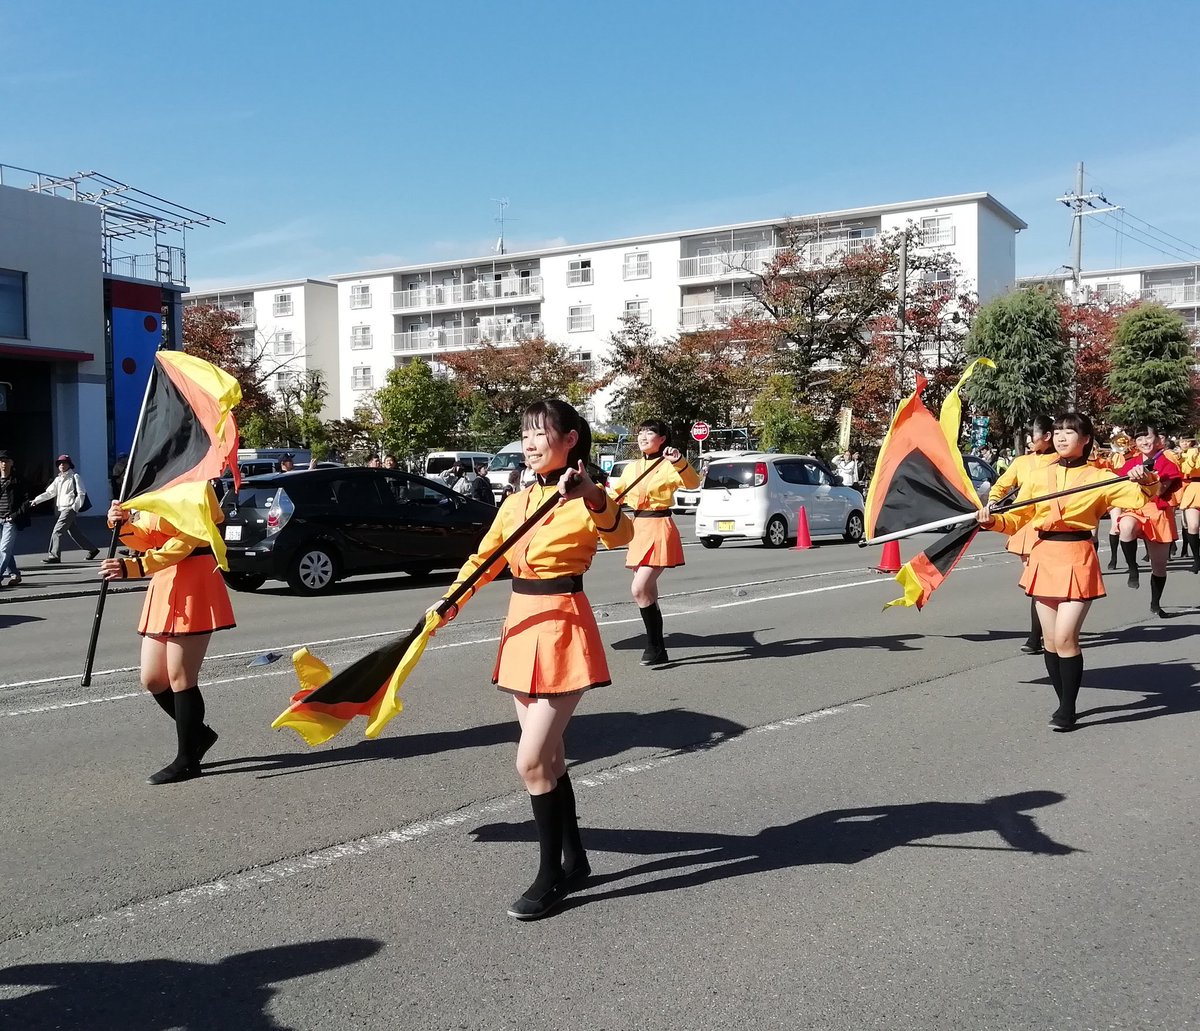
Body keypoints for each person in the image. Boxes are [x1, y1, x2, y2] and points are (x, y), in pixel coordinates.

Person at [431, 399, 632, 920]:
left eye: (541, 432)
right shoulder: (517, 501)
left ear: (570, 440)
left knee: (530, 760)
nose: (529, 440)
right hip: (521, 627)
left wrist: (591, 494)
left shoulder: (590, 497)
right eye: (524, 432)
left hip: (563, 628)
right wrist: (451, 600)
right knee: (552, 760)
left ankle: (549, 878)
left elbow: (621, 534)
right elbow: (486, 557)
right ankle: (576, 858)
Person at [977, 412, 1154, 731]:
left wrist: (1147, 480)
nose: (1060, 437)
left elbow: (1141, 498)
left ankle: (1068, 709)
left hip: (1077, 556)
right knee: (1050, 642)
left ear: (1085, 439)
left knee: (1065, 637)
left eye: (1069, 432)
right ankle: (1063, 702)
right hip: (1044, 555)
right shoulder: (1038, 475)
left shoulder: (1099, 477)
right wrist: (991, 521)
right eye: (1057, 431)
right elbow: (1019, 519)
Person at [98, 484, 234, 784]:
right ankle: (198, 734)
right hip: (165, 583)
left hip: (195, 581)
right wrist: (122, 523)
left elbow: (186, 540)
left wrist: (135, 566)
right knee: (152, 678)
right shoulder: (156, 491)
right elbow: (149, 539)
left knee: (180, 676)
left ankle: (188, 759)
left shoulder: (200, 489)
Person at [607, 420, 700, 666]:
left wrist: (679, 461)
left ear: (662, 439)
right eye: (640, 432)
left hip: (659, 527)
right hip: (636, 529)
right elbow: (614, 496)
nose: (643, 436)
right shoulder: (631, 467)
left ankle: (653, 645)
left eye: (650, 432)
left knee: (639, 589)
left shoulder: (670, 465)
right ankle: (658, 647)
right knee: (647, 592)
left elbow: (693, 483)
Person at [988, 415, 1057, 654]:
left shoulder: (1064, 460)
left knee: (1047, 582)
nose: (1028, 440)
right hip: (1027, 527)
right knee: (1036, 582)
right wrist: (994, 501)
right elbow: (1000, 486)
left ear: (1047, 436)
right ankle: (1036, 635)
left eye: (1032, 435)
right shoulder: (1021, 462)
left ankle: (1046, 632)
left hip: (1055, 526)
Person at [1116, 423, 1181, 615]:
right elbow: (1118, 490)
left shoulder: (1168, 464)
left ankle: (1155, 603)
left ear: (1158, 440)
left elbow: (1160, 491)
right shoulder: (1130, 463)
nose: (1144, 442)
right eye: (1139, 438)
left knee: (1159, 566)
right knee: (1126, 526)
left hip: (1158, 511)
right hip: (1135, 508)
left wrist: (1146, 478)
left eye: (1148, 437)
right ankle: (1132, 568)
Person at [31, 454, 98, 564]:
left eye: (64, 463)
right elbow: (50, 493)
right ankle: (93, 549)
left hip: (69, 508)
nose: (62, 465)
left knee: (57, 531)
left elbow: (81, 493)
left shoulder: (75, 477)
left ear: (69, 465)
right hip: (63, 509)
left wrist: (74, 507)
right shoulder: (58, 479)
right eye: (60, 463)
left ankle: (54, 555)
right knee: (75, 533)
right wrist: (36, 500)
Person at [0, 450, 31, 587]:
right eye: (1, 461)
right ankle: (15, 574)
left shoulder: (19, 480)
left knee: (4, 549)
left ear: (12, 463)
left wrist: (14, 516)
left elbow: (26, 501)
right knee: (4, 550)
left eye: (6, 461)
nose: (3, 464)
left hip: (10, 520)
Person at [1175, 437, 1200, 571]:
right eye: (1182, 440)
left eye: (1187, 440)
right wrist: (1190, 454)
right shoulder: (1184, 455)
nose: (1185, 443)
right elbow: (1187, 469)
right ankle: (1197, 558)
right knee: (1193, 525)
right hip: (1194, 488)